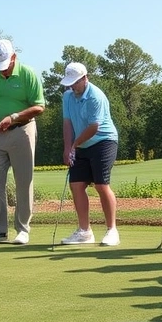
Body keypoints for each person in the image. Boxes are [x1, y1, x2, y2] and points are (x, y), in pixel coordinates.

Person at [0, 39, 45, 245]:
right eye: (0, 68)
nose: (3, 72)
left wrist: (14, 117)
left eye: (6, 67)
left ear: (14, 57)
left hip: (22, 131)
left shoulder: (27, 74)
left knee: (24, 181)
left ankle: (23, 229)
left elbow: (39, 107)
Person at [58, 62, 120, 246]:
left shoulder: (96, 96)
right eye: (69, 83)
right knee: (76, 185)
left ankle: (112, 231)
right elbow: (67, 123)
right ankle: (84, 232)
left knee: (101, 185)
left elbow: (94, 127)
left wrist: (74, 145)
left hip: (103, 141)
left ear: (85, 78)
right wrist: (67, 147)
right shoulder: (68, 97)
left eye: (75, 82)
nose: (72, 86)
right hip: (80, 144)